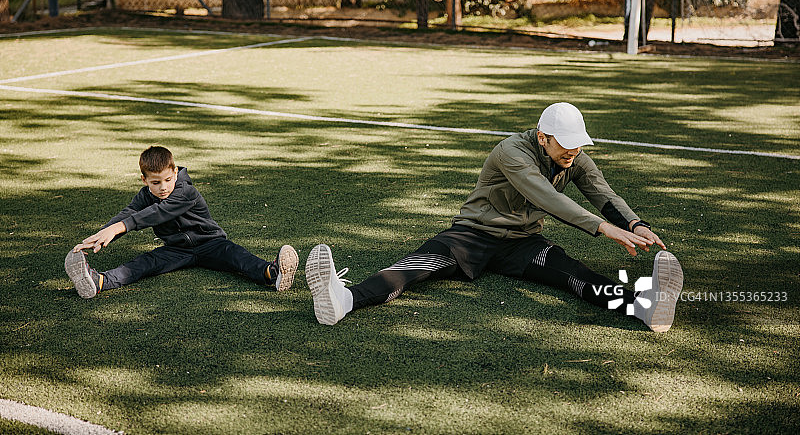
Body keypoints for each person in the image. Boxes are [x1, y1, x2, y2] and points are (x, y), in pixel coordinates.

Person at [306, 102, 683, 332]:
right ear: (542, 137)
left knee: (575, 274)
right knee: (414, 267)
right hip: (471, 235)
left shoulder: (574, 156)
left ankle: (644, 307)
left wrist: (636, 225)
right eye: (565, 146)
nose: (573, 153)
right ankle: (343, 301)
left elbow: (602, 191)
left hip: (522, 244)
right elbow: (548, 198)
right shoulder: (511, 152)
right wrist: (604, 229)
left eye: (578, 145)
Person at [65, 146, 298, 298]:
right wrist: (104, 232)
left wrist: (119, 227)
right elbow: (130, 212)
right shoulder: (145, 195)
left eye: (168, 179)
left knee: (238, 256)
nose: (163, 187)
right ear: (144, 180)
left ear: (175, 172)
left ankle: (272, 273)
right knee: (146, 262)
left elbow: (159, 213)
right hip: (176, 250)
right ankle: (99, 281)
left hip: (212, 244)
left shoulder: (186, 192)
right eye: (155, 183)